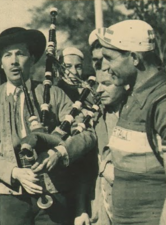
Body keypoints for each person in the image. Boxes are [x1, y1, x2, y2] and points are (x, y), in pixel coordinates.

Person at [0, 27, 96, 225]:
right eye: (7, 55)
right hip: (11, 194)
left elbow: (87, 134)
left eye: (20, 54)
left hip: (54, 190)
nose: (14, 61)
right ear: (1, 63)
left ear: (32, 59)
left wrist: (59, 152)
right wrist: (15, 173)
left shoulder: (54, 94)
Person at [96, 20, 166, 224]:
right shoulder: (133, 96)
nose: (105, 67)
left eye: (109, 58)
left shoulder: (161, 102)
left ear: (134, 58)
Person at [74, 29, 128, 225]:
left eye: (107, 59)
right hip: (101, 205)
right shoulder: (92, 111)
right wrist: (82, 209)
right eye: (96, 60)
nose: (102, 65)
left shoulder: (137, 109)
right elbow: (86, 167)